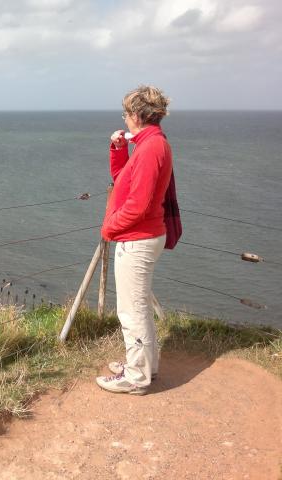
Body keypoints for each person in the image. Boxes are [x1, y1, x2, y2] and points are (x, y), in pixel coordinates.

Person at [96, 85, 178, 395]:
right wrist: (118, 150)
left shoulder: (151, 147)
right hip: (143, 236)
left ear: (137, 115)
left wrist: (110, 228)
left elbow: (139, 204)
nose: (125, 119)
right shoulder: (149, 143)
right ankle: (145, 366)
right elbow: (123, 181)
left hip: (137, 238)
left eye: (127, 113)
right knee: (138, 306)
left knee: (131, 311)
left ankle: (136, 376)